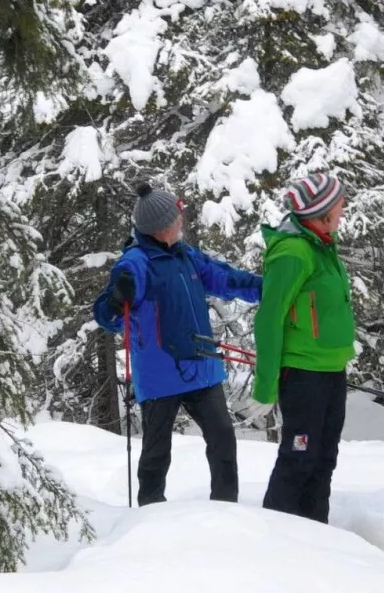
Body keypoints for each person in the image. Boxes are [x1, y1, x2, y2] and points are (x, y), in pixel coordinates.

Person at [93, 181, 261, 505]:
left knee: (223, 440)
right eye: (177, 216)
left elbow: (226, 279)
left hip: (202, 369)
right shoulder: (136, 263)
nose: (181, 220)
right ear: (162, 228)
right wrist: (115, 301)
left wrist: (267, 288)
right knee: (156, 455)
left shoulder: (186, 255)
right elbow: (106, 315)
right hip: (160, 376)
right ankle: (150, 514)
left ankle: (226, 509)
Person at [253, 173, 356, 523]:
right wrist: (265, 386)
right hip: (302, 375)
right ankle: (276, 535)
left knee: (324, 459)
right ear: (322, 212)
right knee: (299, 459)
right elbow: (269, 319)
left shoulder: (323, 244)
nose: (343, 210)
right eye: (339, 205)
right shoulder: (293, 252)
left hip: (331, 370)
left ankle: (315, 535)